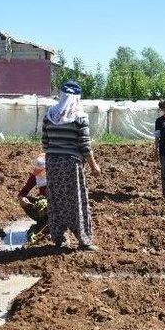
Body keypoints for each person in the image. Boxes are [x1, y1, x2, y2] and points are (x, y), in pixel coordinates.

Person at [42, 80, 101, 251]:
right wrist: (94, 166)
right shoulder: (80, 117)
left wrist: (55, 150)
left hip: (52, 163)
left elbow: (45, 143)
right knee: (77, 200)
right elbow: (84, 146)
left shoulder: (50, 115)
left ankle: (60, 238)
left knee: (56, 199)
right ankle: (84, 240)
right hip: (71, 164)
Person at [17, 153, 49, 241]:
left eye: (41, 170)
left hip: (56, 206)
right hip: (46, 205)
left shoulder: (57, 176)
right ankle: (43, 221)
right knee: (39, 204)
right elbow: (23, 192)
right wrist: (22, 198)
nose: (39, 172)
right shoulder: (35, 176)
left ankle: (51, 224)